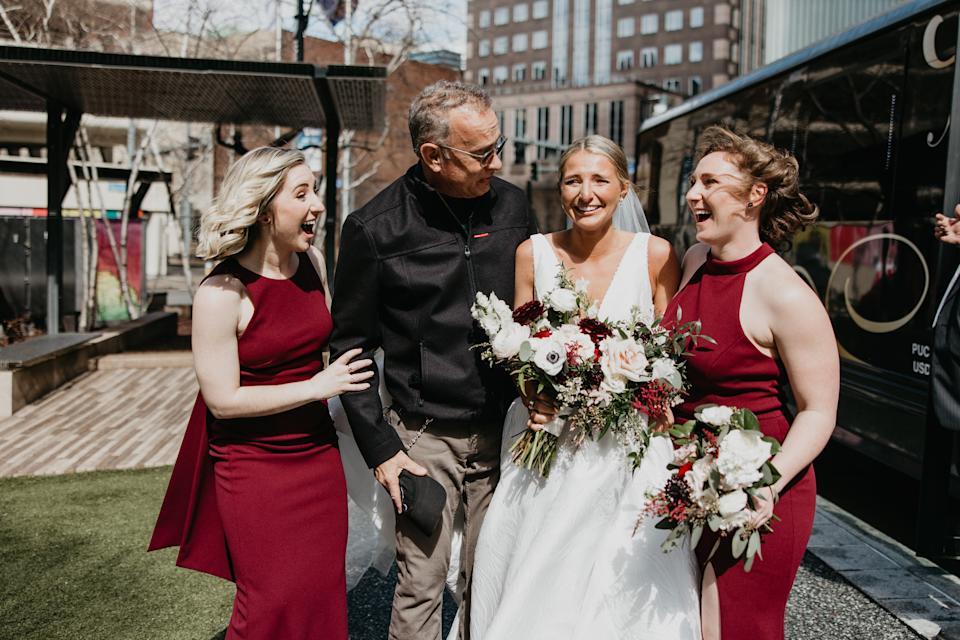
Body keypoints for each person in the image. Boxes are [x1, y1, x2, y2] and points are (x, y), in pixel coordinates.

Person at [469, 135, 701, 639]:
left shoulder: (657, 255)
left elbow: (671, 352)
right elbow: (516, 344)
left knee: (623, 577)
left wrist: (655, 395)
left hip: (628, 448)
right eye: (573, 180)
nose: (586, 192)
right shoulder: (533, 253)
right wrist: (532, 391)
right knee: (538, 567)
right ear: (560, 191)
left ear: (624, 190)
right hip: (548, 438)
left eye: (600, 180)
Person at [329, 80, 537, 640]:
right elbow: (349, 351)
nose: (498, 161)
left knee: (490, 577)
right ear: (433, 156)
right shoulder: (374, 229)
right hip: (422, 438)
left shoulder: (515, 206)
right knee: (422, 584)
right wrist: (383, 451)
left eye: (500, 145)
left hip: (507, 431)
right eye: (482, 153)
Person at [149, 147, 373, 639]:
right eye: (301, 194)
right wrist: (317, 385)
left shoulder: (312, 260)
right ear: (265, 206)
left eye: (314, 190)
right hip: (253, 468)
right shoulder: (221, 293)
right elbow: (222, 400)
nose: (317, 205)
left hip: (316, 459)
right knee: (269, 602)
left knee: (320, 595)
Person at [665, 125, 839, 640]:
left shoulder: (785, 293)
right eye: (693, 182)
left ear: (754, 196)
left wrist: (766, 482)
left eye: (711, 182)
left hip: (759, 490)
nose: (694, 194)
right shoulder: (695, 262)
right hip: (691, 482)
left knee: (738, 629)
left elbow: (818, 411)